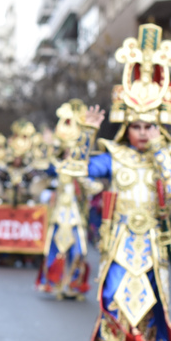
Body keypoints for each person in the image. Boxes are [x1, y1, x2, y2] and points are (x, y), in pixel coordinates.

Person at [64, 24, 171, 341]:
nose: (141, 131)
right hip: (119, 241)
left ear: (158, 126)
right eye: (136, 126)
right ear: (126, 125)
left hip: (152, 241)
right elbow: (76, 168)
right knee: (116, 295)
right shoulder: (115, 155)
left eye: (148, 126)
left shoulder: (164, 157)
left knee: (150, 298)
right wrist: (88, 132)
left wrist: (157, 149)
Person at [38, 99, 103, 299]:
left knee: (79, 252)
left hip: (76, 216)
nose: (68, 154)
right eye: (66, 150)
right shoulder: (56, 166)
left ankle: (74, 285)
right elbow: (43, 167)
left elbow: (94, 187)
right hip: (59, 215)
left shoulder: (83, 171)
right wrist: (46, 146)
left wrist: (85, 182)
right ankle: (54, 283)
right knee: (55, 250)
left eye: (72, 150)